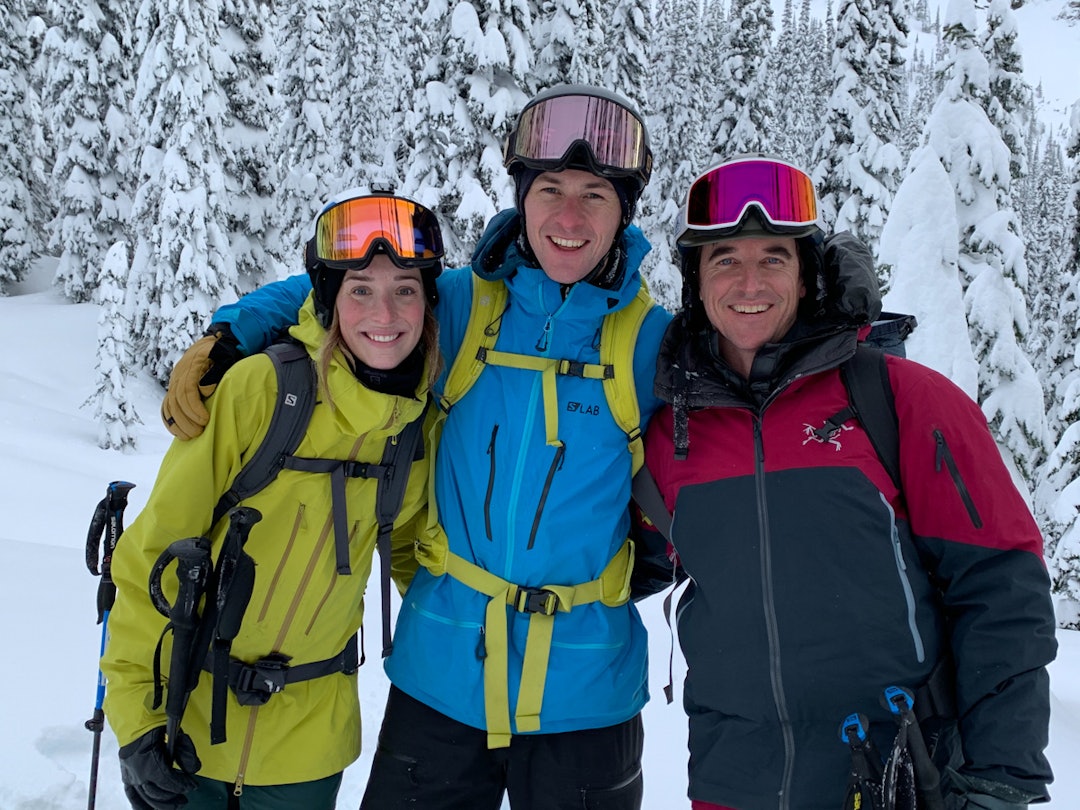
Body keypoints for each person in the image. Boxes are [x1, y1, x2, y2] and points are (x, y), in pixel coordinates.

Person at [162, 84, 671, 809]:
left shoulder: (653, 345)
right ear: (521, 198)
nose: (568, 216)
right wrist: (232, 333)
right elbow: (346, 291)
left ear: (624, 210)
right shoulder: (460, 308)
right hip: (441, 674)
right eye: (550, 188)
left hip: (587, 693)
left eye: (595, 194)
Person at [638, 154, 1057, 810]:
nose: (750, 282)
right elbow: (633, 563)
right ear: (696, 281)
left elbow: (1002, 589)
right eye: (725, 260)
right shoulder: (670, 430)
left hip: (897, 775)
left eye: (774, 258)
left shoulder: (900, 399)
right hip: (731, 782)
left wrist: (1001, 775)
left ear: (807, 277)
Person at [101, 191, 443, 809]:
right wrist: (137, 720)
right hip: (185, 726)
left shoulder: (414, 431)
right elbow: (154, 555)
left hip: (308, 758)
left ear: (428, 303)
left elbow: (416, 558)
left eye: (407, 290)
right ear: (330, 300)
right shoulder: (265, 391)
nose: (384, 311)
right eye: (360, 288)